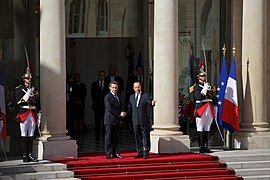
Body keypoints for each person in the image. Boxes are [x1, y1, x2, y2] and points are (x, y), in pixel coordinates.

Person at [15, 68, 40, 162]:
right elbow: (18, 101)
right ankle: (24, 155)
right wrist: (27, 95)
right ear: (24, 79)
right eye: (27, 78)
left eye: (30, 78)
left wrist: (39, 113)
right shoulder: (19, 89)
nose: (28, 80)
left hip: (32, 113)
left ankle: (30, 154)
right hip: (24, 113)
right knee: (24, 134)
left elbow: (36, 102)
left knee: (31, 134)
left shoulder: (34, 89)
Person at [127, 82, 156, 159]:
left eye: (139, 87)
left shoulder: (145, 96)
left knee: (145, 136)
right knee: (137, 136)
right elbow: (129, 108)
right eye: (136, 87)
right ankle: (139, 152)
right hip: (135, 120)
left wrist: (152, 103)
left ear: (141, 87)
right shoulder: (131, 97)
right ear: (133, 88)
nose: (137, 89)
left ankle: (146, 151)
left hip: (144, 120)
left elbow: (149, 103)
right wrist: (125, 113)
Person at [193, 70, 214, 153]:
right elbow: (198, 97)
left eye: (204, 76)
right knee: (200, 127)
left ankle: (206, 146)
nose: (204, 78)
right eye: (202, 76)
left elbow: (212, 96)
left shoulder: (207, 86)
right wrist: (204, 90)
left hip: (208, 107)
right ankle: (201, 146)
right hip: (201, 108)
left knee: (207, 126)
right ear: (199, 78)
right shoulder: (197, 87)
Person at [104, 81, 126, 159]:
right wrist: (119, 113)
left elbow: (121, 106)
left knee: (116, 137)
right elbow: (109, 108)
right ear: (110, 87)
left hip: (117, 120)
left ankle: (115, 153)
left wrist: (122, 113)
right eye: (113, 87)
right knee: (109, 137)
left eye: (116, 87)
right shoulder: (107, 97)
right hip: (109, 120)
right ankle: (108, 153)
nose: (114, 89)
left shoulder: (119, 96)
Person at [91, 70, 109, 141]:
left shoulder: (108, 84)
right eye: (100, 75)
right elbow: (92, 95)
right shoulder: (94, 84)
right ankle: (97, 136)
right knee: (97, 122)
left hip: (105, 107)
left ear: (104, 76)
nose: (102, 76)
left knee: (104, 122)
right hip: (97, 106)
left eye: (103, 75)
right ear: (98, 76)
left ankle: (104, 136)